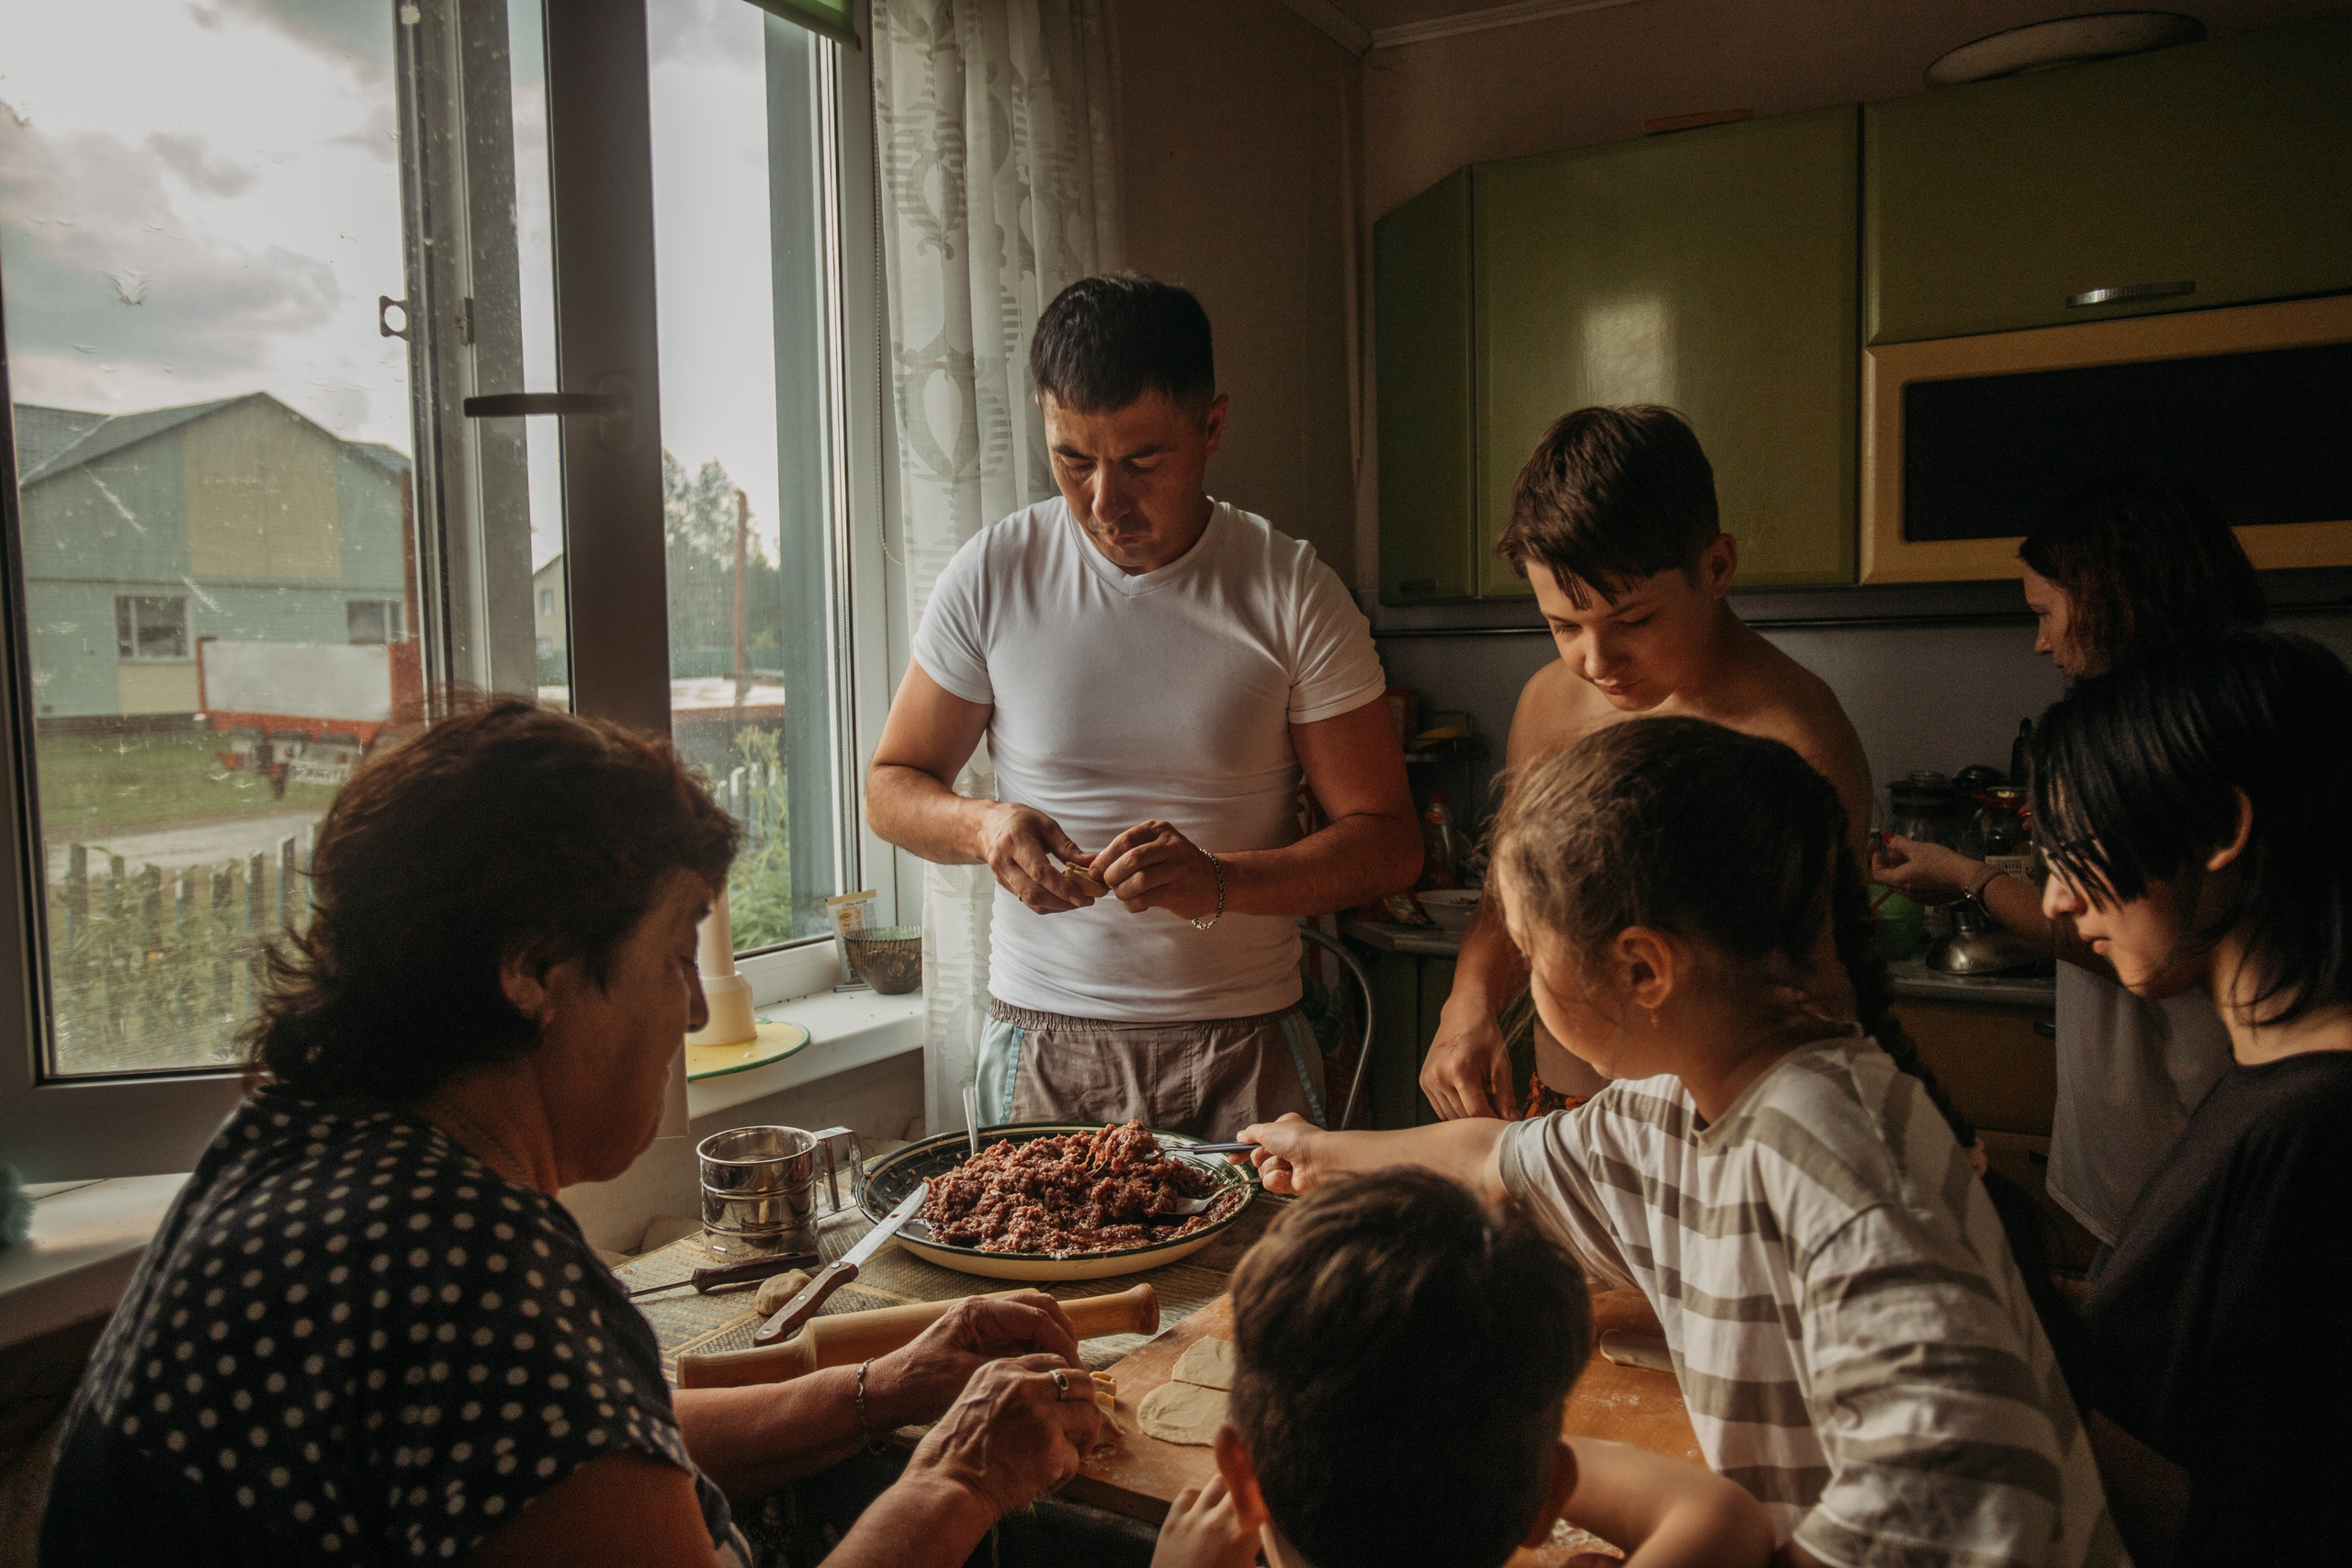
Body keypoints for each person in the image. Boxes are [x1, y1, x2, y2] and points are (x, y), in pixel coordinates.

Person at [40, 699, 1104, 1568]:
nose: (693, 1008)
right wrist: (958, 1479)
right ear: (535, 972)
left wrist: (887, 1388)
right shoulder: (463, 1280)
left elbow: (595, 1458)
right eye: (678, 948)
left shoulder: (299, 1150)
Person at [1244, 718, 2121, 1567]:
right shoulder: (1680, 1106)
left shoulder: (1840, 1172)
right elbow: (1495, 1161)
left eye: (1530, 949)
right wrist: (1320, 1149)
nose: (1527, 981)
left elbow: (1963, 1525)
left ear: (1642, 969)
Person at [866, 273, 1419, 1135]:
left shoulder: (1292, 589)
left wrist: (1220, 881)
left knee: (1263, 1279)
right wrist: (983, 827)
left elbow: (1389, 844)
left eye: (1141, 461)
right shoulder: (993, 573)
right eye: (1072, 460)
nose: (1102, 503)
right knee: (1044, 1280)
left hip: (1245, 1045)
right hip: (1046, 1043)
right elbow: (892, 784)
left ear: (1212, 426)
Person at [1420, 406, 1872, 1122]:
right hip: (1563, 1105)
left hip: (1713, 1128)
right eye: (1564, 626)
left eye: (1633, 621)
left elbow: (1822, 990)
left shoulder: (1796, 742)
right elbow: (1513, 895)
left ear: (1716, 566)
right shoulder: (1552, 703)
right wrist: (1468, 999)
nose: (1595, 663)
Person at [2024, 630, 2352, 1565]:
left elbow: (2252, 1532)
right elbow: (2188, 1349)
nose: (2053, 900)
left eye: (2070, 850)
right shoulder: (2268, 1082)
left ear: (2217, 830)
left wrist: (1999, 1377)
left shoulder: (2319, 1133)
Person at [1871, 473, 2261, 1254]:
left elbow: (2132, 943)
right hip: (2160, 1161)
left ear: (2108, 596)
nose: (2041, 642)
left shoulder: (2182, 747)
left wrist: (1969, 876)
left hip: (2183, 1158)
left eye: (2046, 614)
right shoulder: (2208, 715)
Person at [1147, 1169, 1771, 1568]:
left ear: (1240, 1473)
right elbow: (1726, 1515)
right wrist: (1490, 1447)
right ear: (1547, 1497)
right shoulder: (1540, 1480)